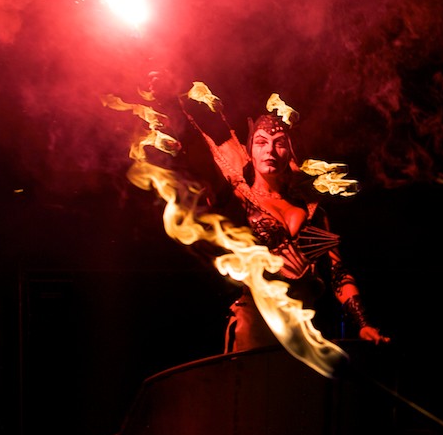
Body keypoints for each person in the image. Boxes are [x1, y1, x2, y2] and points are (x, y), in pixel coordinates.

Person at [155, 77, 389, 352]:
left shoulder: (312, 210)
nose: (270, 150)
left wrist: (363, 323)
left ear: (289, 152)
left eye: (279, 143)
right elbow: (199, 165)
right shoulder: (238, 199)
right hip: (255, 324)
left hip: (305, 325)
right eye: (261, 142)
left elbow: (338, 273)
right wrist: (169, 102)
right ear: (251, 151)